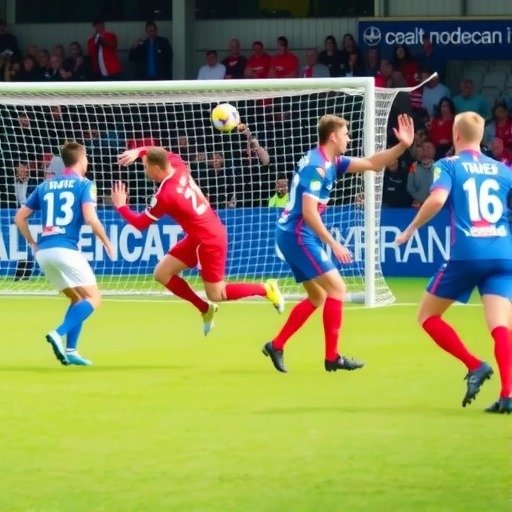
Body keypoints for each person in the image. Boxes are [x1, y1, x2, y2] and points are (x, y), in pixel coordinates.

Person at [262, 114, 414, 373]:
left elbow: (372, 163)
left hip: (293, 232)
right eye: (345, 134)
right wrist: (334, 244)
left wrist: (402, 146)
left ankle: (276, 345)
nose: (349, 138)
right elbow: (309, 213)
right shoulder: (317, 167)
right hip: (297, 234)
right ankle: (332, 357)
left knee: (318, 296)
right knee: (338, 289)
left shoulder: (332, 161)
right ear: (333, 137)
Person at [395, 111, 512, 414]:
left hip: (468, 253)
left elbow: (436, 200)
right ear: (481, 137)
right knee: (500, 325)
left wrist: (410, 229)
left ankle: (474, 365)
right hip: (502, 253)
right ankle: (507, 394)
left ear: (456, 135)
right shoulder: (502, 169)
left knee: (427, 316)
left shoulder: (448, 165)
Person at [110, 146, 285, 335]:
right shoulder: (177, 163)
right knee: (162, 273)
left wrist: (121, 206)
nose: (145, 171)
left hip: (208, 240)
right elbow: (160, 151)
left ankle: (266, 289)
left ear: (157, 168)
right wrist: (138, 152)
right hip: (200, 234)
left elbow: (140, 223)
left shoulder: (166, 195)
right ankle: (205, 309)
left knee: (217, 293)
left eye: (146, 167)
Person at [13, 141, 113, 366]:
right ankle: (58, 333)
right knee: (94, 298)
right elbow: (91, 218)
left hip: (44, 253)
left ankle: (71, 350)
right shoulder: (85, 184)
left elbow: (19, 217)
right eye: (86, 157)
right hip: (65, 250)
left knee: (77, 299)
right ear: (81, 159)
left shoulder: (45, 185)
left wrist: (33, 242)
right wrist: (106, 241)